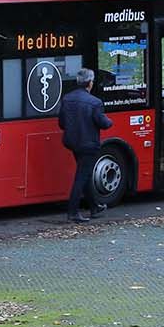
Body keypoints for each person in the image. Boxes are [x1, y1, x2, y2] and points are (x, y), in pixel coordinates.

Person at [58, 67, 112, 223]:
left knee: (85, 173)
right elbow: (103, 123)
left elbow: (62, 123)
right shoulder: (95, 102)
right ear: (90, 83)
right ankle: (73, 212)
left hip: (72, 143)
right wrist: (110, 121)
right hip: (88, 144)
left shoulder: (67, 98)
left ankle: (95, 207)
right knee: (81, 176)